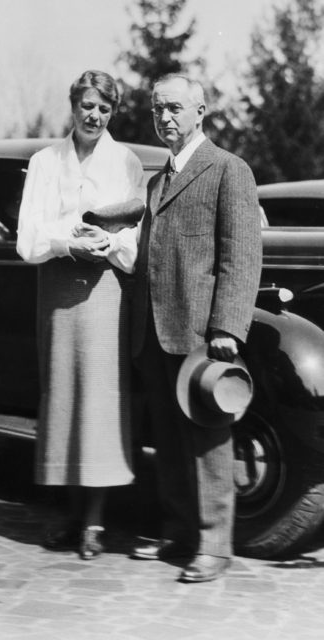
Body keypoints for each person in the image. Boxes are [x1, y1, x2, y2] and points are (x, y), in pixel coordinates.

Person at [114, 74, 262, 582]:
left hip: (202, 333)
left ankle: (215, 546)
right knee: (169, 440)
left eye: (175, 108)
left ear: (202, 111)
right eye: (158, 110)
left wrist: (227, 327)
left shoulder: (228, 170)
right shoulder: (157, 181)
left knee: (208, 437)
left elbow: (241, 256)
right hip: (154, 331)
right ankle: (178, 530)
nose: (165, 118)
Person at [17, 70, 145, 560]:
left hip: (105, 289)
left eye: (104, 109)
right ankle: (71, 515)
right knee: (65, 397)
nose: (94, 116)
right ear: (73, 106)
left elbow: (134, 239)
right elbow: (28, 239)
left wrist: (107, 241)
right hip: (55, 287)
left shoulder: (126, 161)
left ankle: (95, 523)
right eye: (87, 106)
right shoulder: (46, 162)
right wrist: (68, 240)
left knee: (99, 401)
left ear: (113, 112)